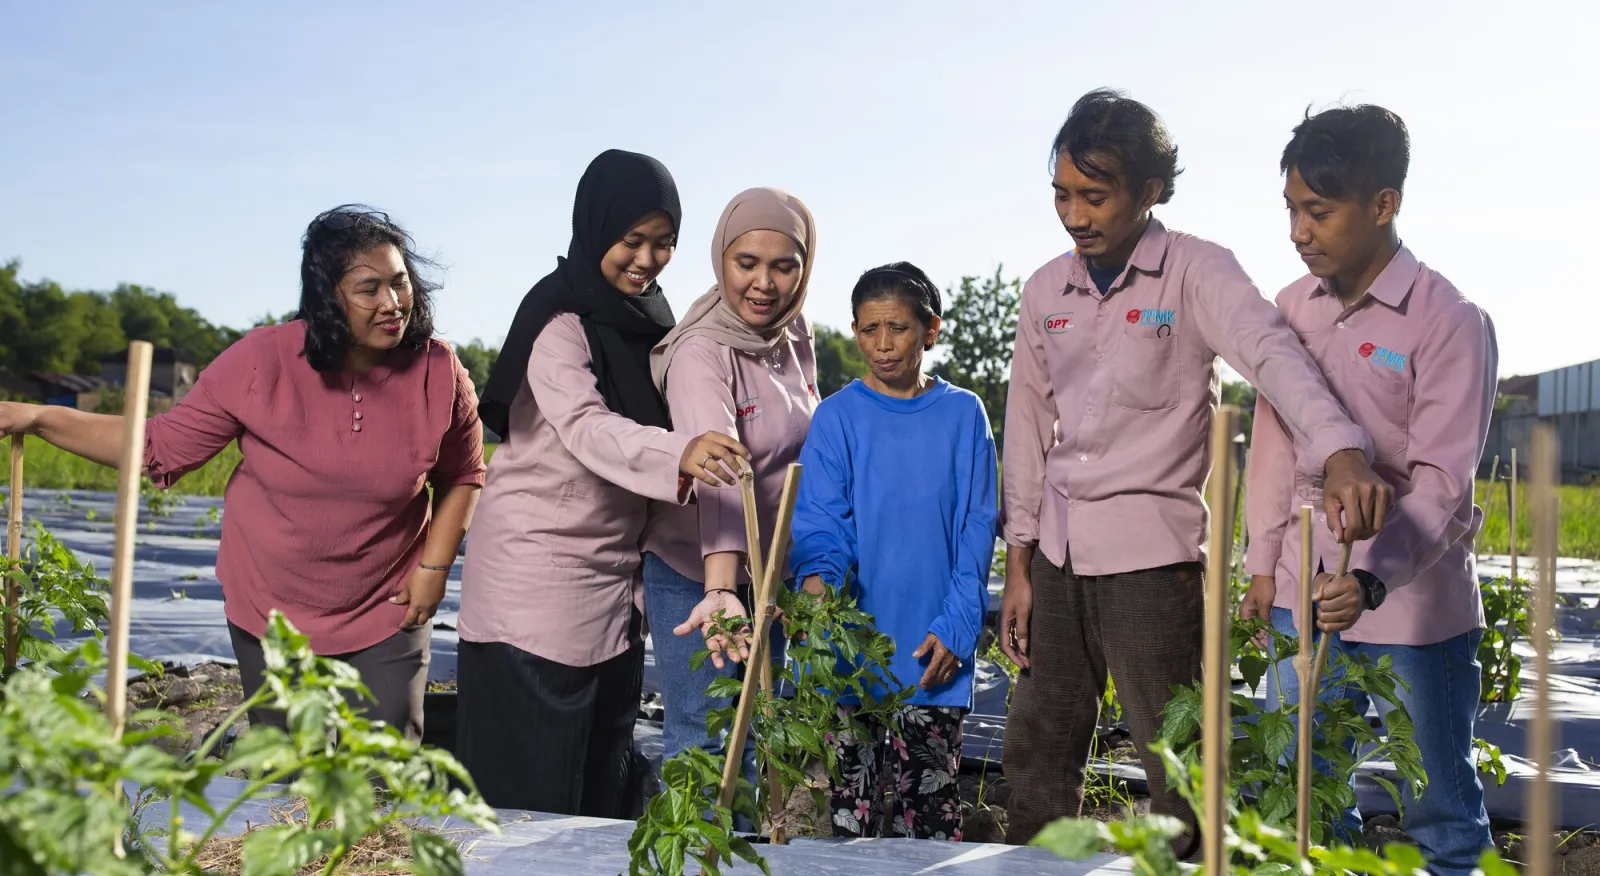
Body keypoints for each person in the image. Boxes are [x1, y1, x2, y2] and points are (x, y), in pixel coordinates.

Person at [997, 89, 1399, 853]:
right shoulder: (1046, 289)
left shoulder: (1195, 272)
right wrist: (1019, 562)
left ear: (1150, 191)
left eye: (1095, 195)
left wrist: (1341, 447)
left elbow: (1274, 356)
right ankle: (1033, 866)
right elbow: (1025, 429)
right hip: (1055, 555)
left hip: (1156, 563)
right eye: (1061, 195)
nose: (1076, 215)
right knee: (1038, 745)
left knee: (1175, 759)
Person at [0, 205, 486, 741]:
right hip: (271, 603)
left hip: (387, 602)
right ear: (328, 295)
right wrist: (39, 417)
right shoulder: (261, 360)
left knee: (384, 769)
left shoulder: (438, 371)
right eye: (369, 289)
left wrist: (434, 572)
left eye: (400, 283)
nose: (393, 303)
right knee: (281, 768)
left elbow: (463, 473)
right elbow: (161, 445)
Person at [1240, 105, 1496, 876]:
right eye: (1290, 209)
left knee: (1439, 808)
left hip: (1413, 607)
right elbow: (1275, 455)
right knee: (1303, 797)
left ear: (1384, 204)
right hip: (1299, 597)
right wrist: (1263, 568)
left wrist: (1370, 579)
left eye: (1318, 210)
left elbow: (1442, 483)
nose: (1298, 230)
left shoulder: (1450, 321)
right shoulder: (1290, 311)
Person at [458, 150, 749, 817]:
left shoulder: (643, 318)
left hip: (611, 585)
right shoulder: (559, 321)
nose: (646, 259)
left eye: (664, 243)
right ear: (594, 228)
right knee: (529, 798)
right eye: (631, 241)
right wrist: (683, 453)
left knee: (596, 785)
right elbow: (587, 428)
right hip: (535, 584)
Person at [788, 262, 997, 841]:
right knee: (848, 822)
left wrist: (957, 627)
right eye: (868, 329)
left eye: (899, 328)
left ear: (930, 330)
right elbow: (822, 527)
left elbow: (977, 527)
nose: (882, 345)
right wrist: (817, 595)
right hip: (851, 657)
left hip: (931, 655)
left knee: (929, 821)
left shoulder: (963, 414)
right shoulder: (837, 418)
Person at [643, 187, 818, 782]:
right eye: (747, 264)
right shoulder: (702, 351)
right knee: (706, 740)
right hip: (698, 572)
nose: (764, 283)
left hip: (768, 571)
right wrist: (722, 590)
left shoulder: (795, 335)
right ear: (721, 261)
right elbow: (719, 471)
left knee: (759, 735)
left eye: (783, 265)